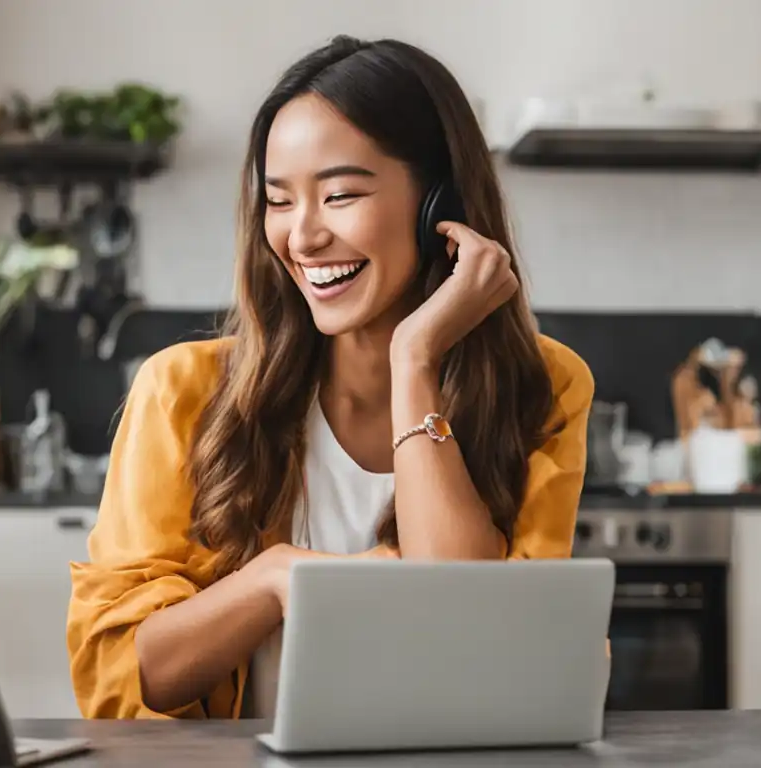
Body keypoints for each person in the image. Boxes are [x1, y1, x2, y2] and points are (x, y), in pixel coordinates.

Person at [66, 35, 594, 720]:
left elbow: (469, 641)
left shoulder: (545, 386)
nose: (302, 235)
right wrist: (280, 577)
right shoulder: (182, 392)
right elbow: (128, 674)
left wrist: (416, 360)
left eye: (340, 194)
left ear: (440, 206)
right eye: (279, 201)